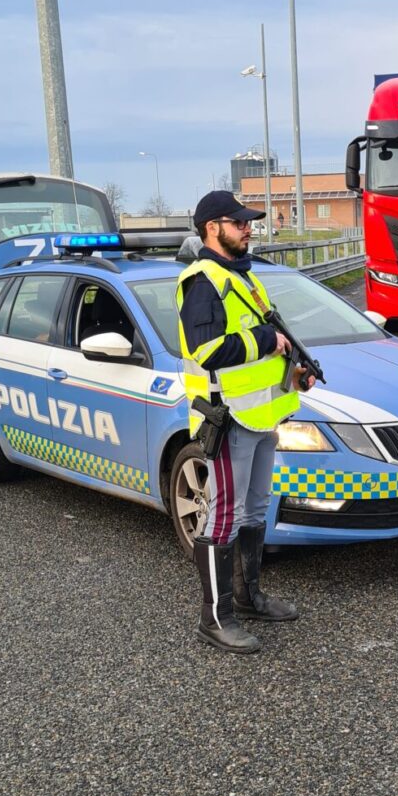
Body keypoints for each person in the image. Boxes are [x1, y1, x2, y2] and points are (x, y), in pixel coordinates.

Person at [176, 190, 314, 653]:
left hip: (261, 416)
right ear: (212, 228)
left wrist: (294, 371)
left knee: (255, 510)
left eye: (248, 222)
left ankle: (248, 597)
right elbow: (208, 350)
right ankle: (215, 619)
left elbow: (267, 343)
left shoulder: (243, 277)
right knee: (224, 516)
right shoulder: (202, 282)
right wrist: (265, 340)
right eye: (239, 223)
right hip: (228, 417)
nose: (248, 228)